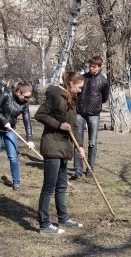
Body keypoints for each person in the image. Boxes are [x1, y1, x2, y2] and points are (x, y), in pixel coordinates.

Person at [35, 71, 86, 234]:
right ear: (71, 84)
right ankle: (44, 224)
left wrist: (80, 145)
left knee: (62, 186)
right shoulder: (55, 96)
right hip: (52, 145)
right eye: (79, 87)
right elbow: (40, 114)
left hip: (64, 147)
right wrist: (59, 125)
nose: (80, 90)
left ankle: (63, 218)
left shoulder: (71, 98)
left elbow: (75, 125)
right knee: (49, 187)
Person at [0, 82, 35, 190]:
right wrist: (4, 120)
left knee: (13, 157)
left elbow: (27, 121)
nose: (27, 99)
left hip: (10, 130)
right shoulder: (5, 95)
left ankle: (16, 182)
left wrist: (30, 139)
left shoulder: (24, 104)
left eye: (29, 97)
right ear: (18, 92)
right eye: (26, 97)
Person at [71, 55, 110, 180]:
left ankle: (90, 168)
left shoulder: (103, 81)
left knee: (92, 142)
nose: (91, 68)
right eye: (90, 66)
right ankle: (77, 169)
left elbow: (104, 98)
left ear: (99, 67)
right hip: (80, 113)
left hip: (94, 114)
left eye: (94, 66)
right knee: (78, 141)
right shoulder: (83, 78)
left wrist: (95, 105)